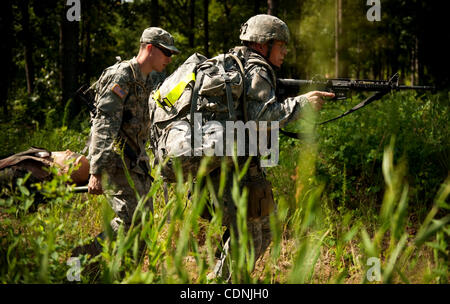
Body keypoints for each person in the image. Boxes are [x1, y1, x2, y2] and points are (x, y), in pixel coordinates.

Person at [206, 14, 334, 281]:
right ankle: (223, 284)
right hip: (237, 170)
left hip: (239, 166)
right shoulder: (257, 69)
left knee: (264, 231)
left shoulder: (239, 64)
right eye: (281, 45)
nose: (285, 51)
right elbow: (263, 117)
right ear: (263, 44)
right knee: (250, 240)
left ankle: (224, 277)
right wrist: (304, 104)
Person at [76, 27, 179, 257]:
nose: (170, 59)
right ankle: (80, 262)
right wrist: (97, 171)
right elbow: (104, 125)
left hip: (136, 163)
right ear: (150, 48)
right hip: (115, 162)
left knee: (144, 224)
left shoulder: (148, 80)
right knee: (128, 220)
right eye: (166, 52)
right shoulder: (122, 76)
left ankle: (126, 275)